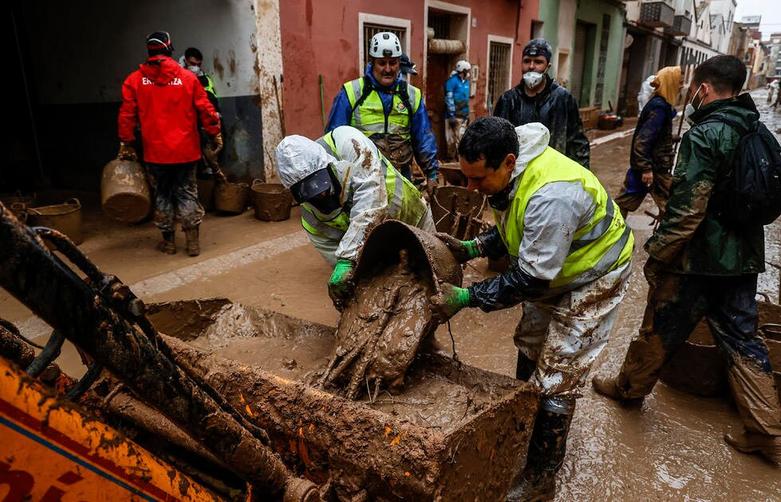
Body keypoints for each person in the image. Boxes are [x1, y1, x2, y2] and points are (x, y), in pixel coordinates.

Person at [429, 117, 634, 500]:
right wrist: (473, 248)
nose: (472, 189)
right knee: (530, 342)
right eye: (466, 178)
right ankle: (524, 419)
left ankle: (541, 476)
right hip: (554, 263)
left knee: (559, 370)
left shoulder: (552, 196)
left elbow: (529, 281)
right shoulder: (511, 166)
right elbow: (515, 227)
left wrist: (466, 298)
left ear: (508, 162)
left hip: (596, 271)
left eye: (477, 180)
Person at [592, 55, 781, 465]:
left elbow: (687, 211)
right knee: (744, 340)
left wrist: (657, 254)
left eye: (696, 87)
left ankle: (629, 389)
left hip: (697, 259)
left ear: (705, 88)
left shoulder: (706, 134)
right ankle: (767, 431)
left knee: (659, 325)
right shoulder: (758, 130)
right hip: (743, 260)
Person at [275, 125, 435, 307]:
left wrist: (346, 258)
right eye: (310, 193)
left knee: (434, 277)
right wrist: (346, 275)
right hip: (377, 248)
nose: (319, 195)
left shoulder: (347, 142)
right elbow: (342, 264)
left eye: (320, 184)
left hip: (410, 214)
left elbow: (371, 201)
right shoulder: (311, 220)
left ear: (326, 164)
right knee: (395, 296)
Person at [117, 31, 222, 257]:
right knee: (187, 194)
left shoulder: (134, 80)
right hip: (186, 152)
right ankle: (192, 243)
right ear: (169, 49)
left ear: (150, 51)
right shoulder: (188, 78)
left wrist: (127, 142)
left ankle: (169, 243)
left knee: (163, 195)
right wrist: (215, 133)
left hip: (155, 154)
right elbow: (206, 110)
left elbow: (126, 115)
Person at [325, 32, 440, 191]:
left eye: (392, 63)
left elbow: (423, 137)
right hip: (361, 182)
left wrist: (432, 173)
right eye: (382, 63)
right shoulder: (352, 92)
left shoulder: (412, 96)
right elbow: (333, 138)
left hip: (401, 181)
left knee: (401, 216)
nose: (387, 69)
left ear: (399, 63)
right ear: (372, 62)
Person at [493, 38, 590, 169]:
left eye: (538, 62)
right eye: (527, 61)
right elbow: (496, 142)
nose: (531, 66)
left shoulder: (563, 99)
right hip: (518, 176)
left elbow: (577, 143)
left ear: (547, 66)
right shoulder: (507, 100)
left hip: (553, 175)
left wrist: (581, 176)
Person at [614, 66, 681, 219]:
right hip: (654, 169)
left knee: (624, 201)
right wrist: (646, 169)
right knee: (673, 208)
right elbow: (642, 141)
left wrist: (670, 140)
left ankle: (611, 230)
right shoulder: (659, 107)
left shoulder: (660, 105)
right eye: (679, 82)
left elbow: (655, 137)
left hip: (654, 166)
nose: (681, 86)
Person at [444, 60, 472, 160]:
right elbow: (449, 99)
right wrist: (451, 115)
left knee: (461, 139)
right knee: (451, 140)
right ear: (462, 71)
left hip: (463, 116)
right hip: (453, 116)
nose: (468, 73)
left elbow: (466, 99)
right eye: (467, 71)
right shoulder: (452, 82)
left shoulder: (466, 83)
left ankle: (460, 160)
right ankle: (450, 159)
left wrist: (467, 115)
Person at [179, 47, 220, 114]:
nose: (196, 67)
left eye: (199, 64)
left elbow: (211, 98)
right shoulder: (175, 76)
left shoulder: (204, 78)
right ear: (185, 61)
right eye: (193, 64)